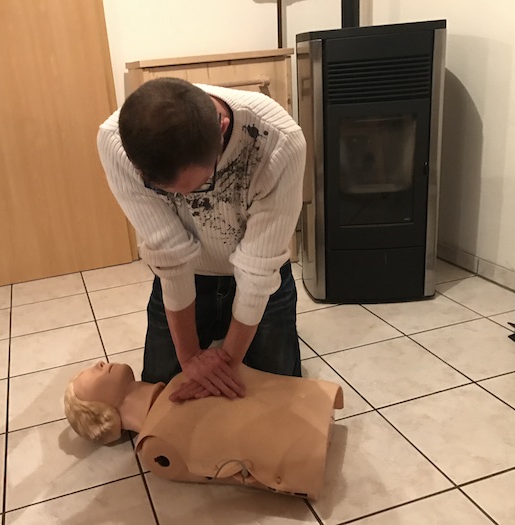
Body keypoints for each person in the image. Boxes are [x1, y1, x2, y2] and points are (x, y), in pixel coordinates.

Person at [97, 78, 306, 402]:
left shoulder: (278, 140)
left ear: (222, 129)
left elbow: (257, 272)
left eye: (200, 184)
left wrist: (225, 364)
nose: (186, 199)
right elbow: (170, 252)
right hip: (187, 271)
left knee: (275, 395)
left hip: (262, 273)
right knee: (161, 394)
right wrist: (190, 358)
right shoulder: (115, 142)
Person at [64, 360, 343, 500]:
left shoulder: (173, 383)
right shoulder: (155, 446)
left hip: (302, 408)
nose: (99, 364)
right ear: (99, 412)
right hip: (301, 445)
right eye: (89, 375)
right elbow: (227, 472)